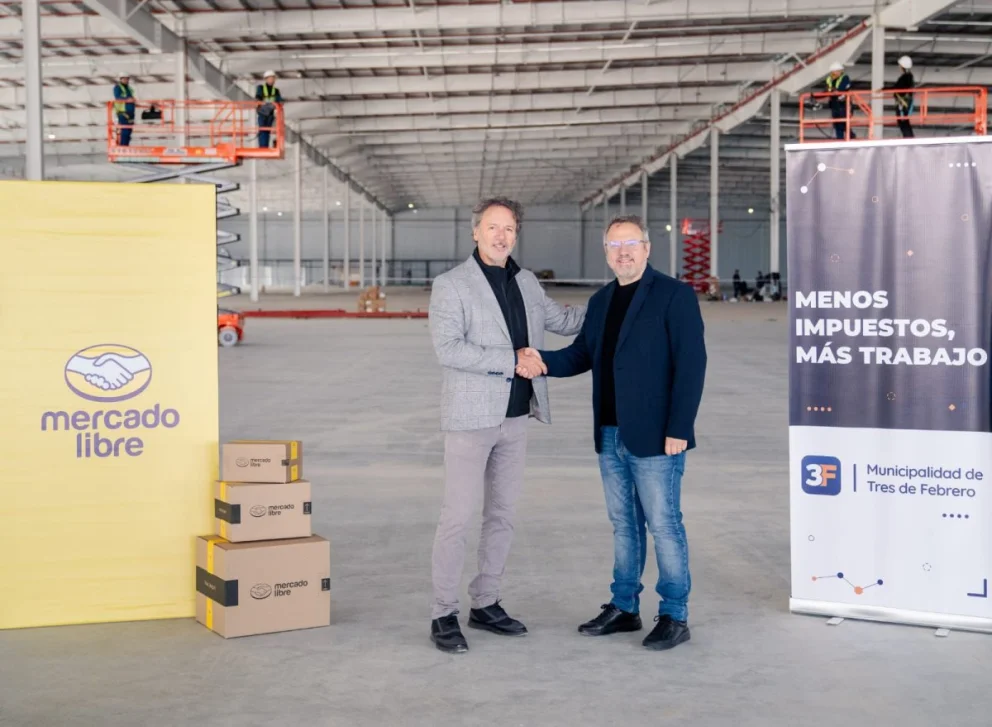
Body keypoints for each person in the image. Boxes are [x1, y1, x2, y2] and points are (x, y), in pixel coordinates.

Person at [517, 214, 706, 651]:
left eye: (631, 243)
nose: (623, 252)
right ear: (606, 253)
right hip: (610, 433)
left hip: (657, 435)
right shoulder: (601, 301)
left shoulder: (674, 295)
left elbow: (692, 364)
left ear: (647, 248)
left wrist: (679, 426)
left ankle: (674, 615)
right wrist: (541, 360)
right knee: (624, 525)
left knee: (664, 525)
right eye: (615, 245)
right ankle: (624, 607)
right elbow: (582, 354)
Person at [426, 196, 586, 654]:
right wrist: (510, 360)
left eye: (509, 229)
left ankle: (486, 602)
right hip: (470, 419)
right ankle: (443, 613)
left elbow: (565, 321)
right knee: (457, 519)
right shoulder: (451, 285)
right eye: (493, 227)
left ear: (517, 235)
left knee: (502, 515)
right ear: (475, 231)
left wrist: (618, 297)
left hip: (516, 418)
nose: (501, 236)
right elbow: (449, 349)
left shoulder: (527, 282)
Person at [824, 62, 854, 140]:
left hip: (844, 104)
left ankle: (851, 136)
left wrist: (833, 90)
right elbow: (826, 90)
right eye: (835, 71)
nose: (836, 73)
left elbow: (841, 89)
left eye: (838, 71)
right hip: (834, 104)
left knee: (843, 123)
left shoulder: (845, 78)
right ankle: (840, 140)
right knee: (837, 124)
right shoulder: (829, 79)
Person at [255, 71, 283, 148]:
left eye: (273, 78)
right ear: (266, 79)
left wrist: (279, 103)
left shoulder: (276, 90)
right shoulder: (261, 88)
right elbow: (258, 98)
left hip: (270, 113)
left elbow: (279, 100)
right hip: (262, 113)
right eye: (270, 78)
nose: (272, 80)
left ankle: (265, 146)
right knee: (263, 130)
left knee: (267, 131)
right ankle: (263, 147)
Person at [893, 55, 915, 139]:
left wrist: (883, 89)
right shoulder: (909, 77)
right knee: (904, 121)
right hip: (904, 102)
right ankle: (909, 138)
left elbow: (897, 88)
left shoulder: (905, 77)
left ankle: (908, 138)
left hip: (902, 103)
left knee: (903, 121)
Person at [113, 73, 136, 147]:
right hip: (123, 112)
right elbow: (117, 97)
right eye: (124, 79)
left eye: (127, 79)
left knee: (129, 131)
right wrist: (127, 99)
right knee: (125, 131)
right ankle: (123, 147)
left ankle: (126, 146)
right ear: (121, 79)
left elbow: (131, 98)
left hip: (130, 112)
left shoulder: (129, 88)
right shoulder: (118, 87)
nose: (126, 80)